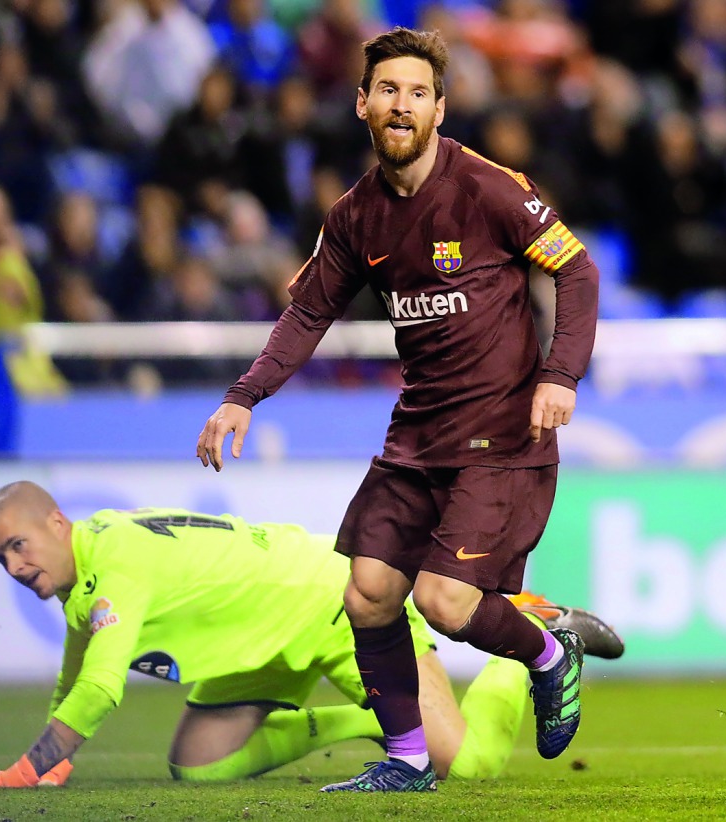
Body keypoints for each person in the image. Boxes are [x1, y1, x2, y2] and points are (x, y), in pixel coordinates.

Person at [197, 27, 600, 793]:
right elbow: (308, 314)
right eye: (387, 90)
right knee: (369, 593)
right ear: (362, 104)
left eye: (418, 92)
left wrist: (562, 374)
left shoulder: (488, 187)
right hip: (418, 434)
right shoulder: (353, 217)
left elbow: (576, 271)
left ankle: (550, 653)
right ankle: (408, 759)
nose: (402, 104)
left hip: (505, 433)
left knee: (443, 601)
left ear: (441, 109)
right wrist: (244, 396)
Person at [0, 481, 623, 790]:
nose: (15, 568)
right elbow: (77, 668)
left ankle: (536, 633)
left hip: (332, 603)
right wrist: (55, 761)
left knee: (465, 766)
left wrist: (20, 774)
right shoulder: (85, 566)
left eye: (18, 546)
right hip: (260, 643)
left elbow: (103, 687)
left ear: (54, 522)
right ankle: (364, 721)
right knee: (199, 769)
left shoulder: (114, 566)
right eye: (0, 560)